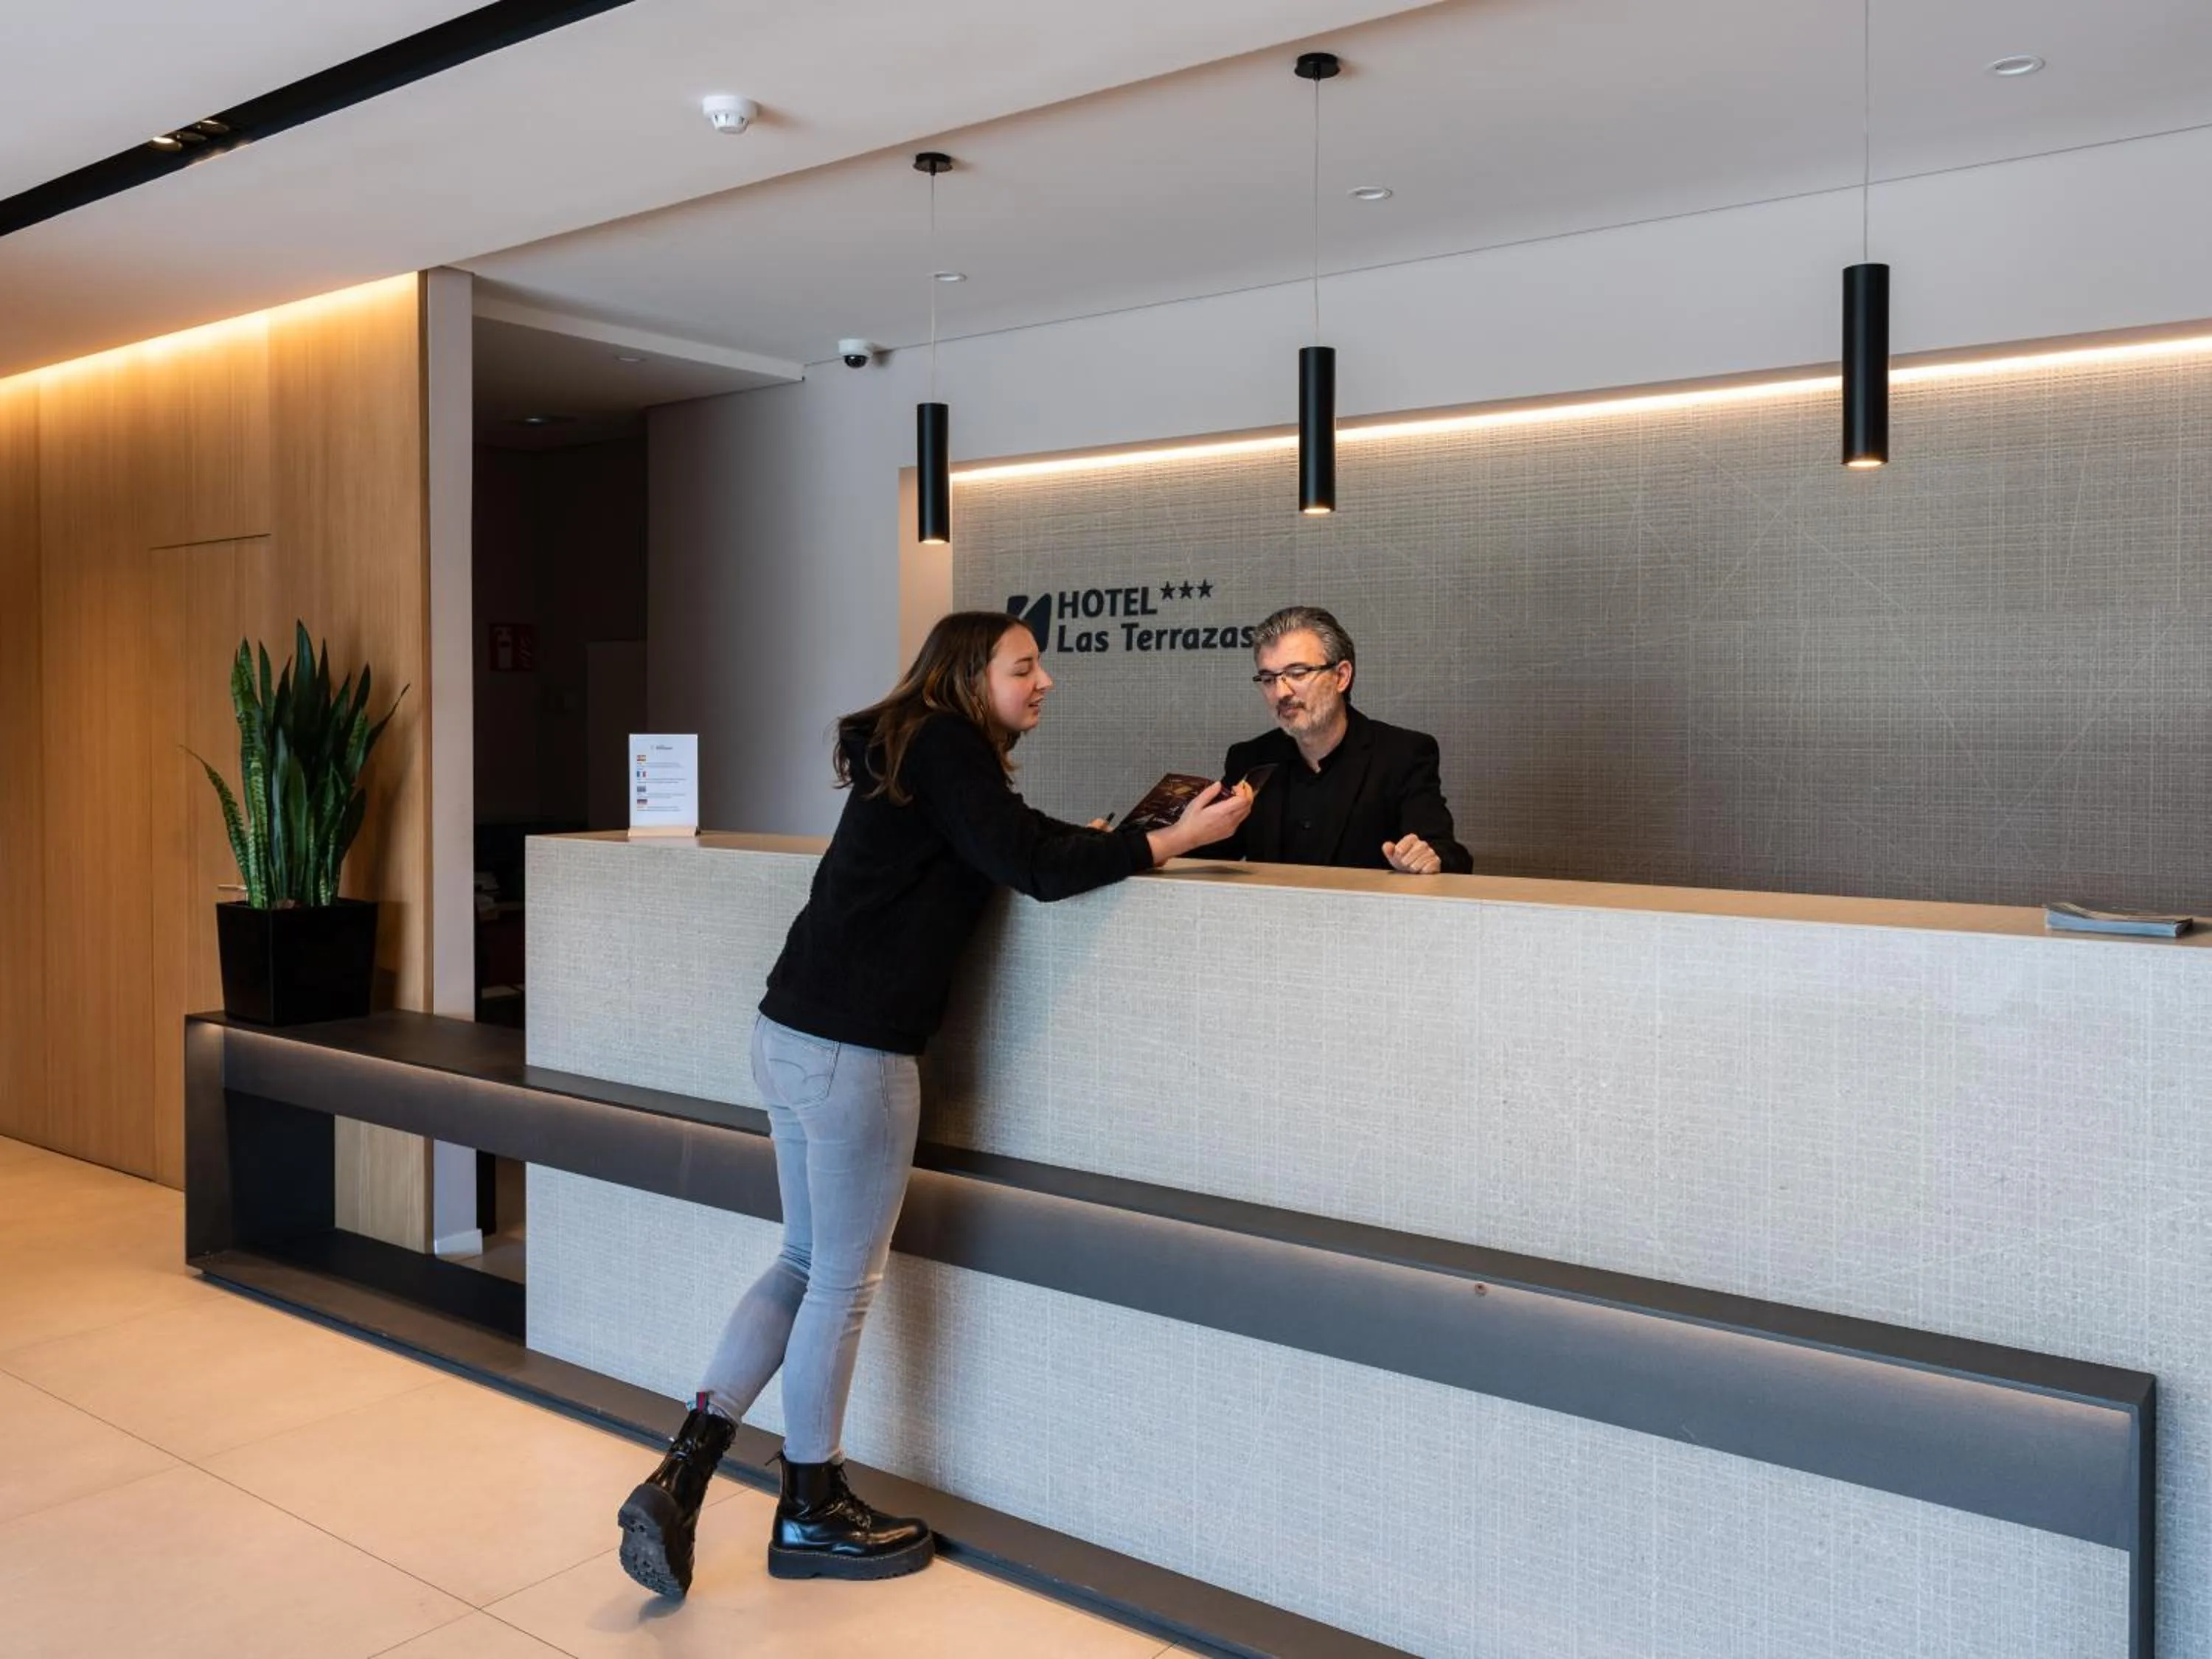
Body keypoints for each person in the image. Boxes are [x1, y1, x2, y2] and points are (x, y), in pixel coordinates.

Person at [614, 611, 1251, 1599]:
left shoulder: (923, 747)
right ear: (967, 675)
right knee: (841, 1282)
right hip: (854, 1051)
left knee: (801, 1259)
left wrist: (1095, 840)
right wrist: (1170, 842)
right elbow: (1035, 869)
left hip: (789, 1030)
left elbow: (1005, 844)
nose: (1044, 684)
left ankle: (682, 1470)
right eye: (1024, 667)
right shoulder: (954, 748)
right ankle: (813, 1505)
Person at [1197, 605, 1473, 874]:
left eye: (1297, 673)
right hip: (1270, 918)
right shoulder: (1250, 759)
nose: (1281, 692)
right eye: (1269, 678)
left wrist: (1428, 858)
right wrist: (1175, 834)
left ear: (1341, 676)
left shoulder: (1403, 755)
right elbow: (1209, 852)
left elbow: (1448, 854)